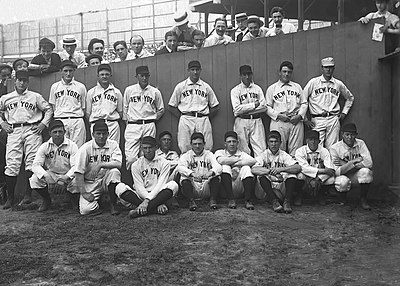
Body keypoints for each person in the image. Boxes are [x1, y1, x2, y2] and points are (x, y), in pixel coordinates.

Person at [0, 70, 53, 209]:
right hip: (14, 129)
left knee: (32, 162)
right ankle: (10, 199)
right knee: (12, 164)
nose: (22, 83)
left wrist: (43, 124)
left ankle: (28, 196)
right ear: (15, 81)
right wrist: (2, 123)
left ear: (28, 82)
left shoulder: (35, 96)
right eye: (19, 80)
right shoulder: (6, 98)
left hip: (32, 129)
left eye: (24, 80)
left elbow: (48, 110)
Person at [115, 136, 179, 218]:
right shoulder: (136, 164)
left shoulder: (164, 163)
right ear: (141, 148)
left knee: (173, 185)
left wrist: (148, 200)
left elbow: (160, 184)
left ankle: (139, 210)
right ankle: (154, 208)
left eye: (150, 148)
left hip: (159, 195)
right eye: (145, 148)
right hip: (142, 197)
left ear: (156, 148)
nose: (148, 151)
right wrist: (149, 201)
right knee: (119, 187)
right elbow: (139, 187)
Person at [303, 57, 354, 148]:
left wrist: (344, 113)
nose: (328, 69)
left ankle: (332, 163)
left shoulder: (338, 84)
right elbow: (302, 99)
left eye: (330, 67)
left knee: (333, 147)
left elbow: (350, 98)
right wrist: (305, 119)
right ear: (322, 68)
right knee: (316, 147)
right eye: (326, 67)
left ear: (333, 68)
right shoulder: (314, 82)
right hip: (317, 118)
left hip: (333, 118)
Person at [168, 60, 219, 153]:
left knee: (207, 145)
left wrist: (206, 117)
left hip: (202, 118)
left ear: (200, 70)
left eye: (197, 69)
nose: (195, 72)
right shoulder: (181, 86)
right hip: (186, 118)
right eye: (192, 69)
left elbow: (215, 106)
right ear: (188, 70)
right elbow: (171, 106)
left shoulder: (206, 87)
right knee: (185, 145)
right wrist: (182, 116)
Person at [74, 119, 122, 215]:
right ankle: (101, 202)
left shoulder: (113, 144)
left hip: (105, 179)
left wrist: (101, 165)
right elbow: (78, 173)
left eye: (104, 133)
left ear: (108, 134)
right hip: (91, 182)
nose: (101, 136)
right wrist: (84, 193)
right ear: (93, 134)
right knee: (85, 210)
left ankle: (113, 203)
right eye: (98, 133)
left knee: (115, 172)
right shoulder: (85, 148)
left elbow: (118, 164)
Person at [30, 120, 78, 211]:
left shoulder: (72, 146)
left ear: (64, 132)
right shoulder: (45, 146)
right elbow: (35, 165)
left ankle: (73, 199)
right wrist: (46, 175)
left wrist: (65, 177)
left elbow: (76, 166)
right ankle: (47, 199)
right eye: (54, 132)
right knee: (34, 180)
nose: (57, 134)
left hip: (67, 175)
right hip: (52, 175)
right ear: (50, 133)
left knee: (77, 181)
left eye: (60, 131)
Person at [123, 66, 164, 169]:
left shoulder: (154, 91)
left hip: (149, 124)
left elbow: (161, 109)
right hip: (133, 124)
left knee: (147, 155)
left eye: (146, 76)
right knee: (131, 158)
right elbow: (125, 109)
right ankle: (134, 182)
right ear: (137, 76)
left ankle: (147, 182)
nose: (144, 78)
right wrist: (128, 123)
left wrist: (153, 120)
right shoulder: (129, 90)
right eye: (142, 76)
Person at [252, 131, 301, 213]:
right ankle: (274, 201)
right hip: (266, 189)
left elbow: (298, 167)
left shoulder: (284, 155)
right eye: (271, 142)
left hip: (281, 186)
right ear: (267, 143)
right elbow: (254, 169)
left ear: (280, 143)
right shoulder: (263, 155)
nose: (273, 144)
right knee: (261, 176)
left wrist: (281, 169)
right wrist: (270, 171)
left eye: (276, 141)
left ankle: (287, 201)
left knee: (292, 176)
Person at [265, 61, 307, 156]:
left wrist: (300, 116)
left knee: (296, 149)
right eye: (284, 71)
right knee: (278, 148)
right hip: (279, 121)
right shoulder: (272, 88)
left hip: (295, 120)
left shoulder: (297, 87)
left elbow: (304, 103)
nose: (287, 74)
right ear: (279, 72)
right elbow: (267, 107)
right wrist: (278, 115)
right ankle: (279, 169)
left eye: (289, 72)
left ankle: (295, 168)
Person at [329, 123, 373, 210]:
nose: (350, 137)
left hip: (355, 176)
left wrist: (345, 164)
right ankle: (343, 200)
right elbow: (337, 171)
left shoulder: (360, 143)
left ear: (356, 135)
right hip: (342, 176)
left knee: (366, 172)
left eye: (352, 134)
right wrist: (354, 161)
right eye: (347, 134)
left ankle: (363, 199)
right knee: (342, 182)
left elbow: (369, 163)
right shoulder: (334, 148)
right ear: (342, 134)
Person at [177, 132, 222, 210]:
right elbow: (180, 167)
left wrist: (211, 172)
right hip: (192, 186)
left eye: (199, 144)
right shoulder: (186, 155)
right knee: (183, 178)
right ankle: (191, 201)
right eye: (195, 144)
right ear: (191, 144)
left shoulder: (209, 154)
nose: (197, 146)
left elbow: (218, 167)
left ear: (204, 144)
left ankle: (213, 200)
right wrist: (192, 173)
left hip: (206, 185)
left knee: (216, 176)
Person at [230, 65, 267, 157]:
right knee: (242, 149)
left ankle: (259, 169)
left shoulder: (257, 89)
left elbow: (264, 107)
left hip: (256, 120)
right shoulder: (235, 90)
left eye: (249, 74)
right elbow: (237, 109)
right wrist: (254, 105)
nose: (247, 77)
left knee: (261, 149)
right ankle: (245, 170)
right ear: (240, 75)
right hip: (241, 121)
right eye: (244, 74)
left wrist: (245, 110)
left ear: (252, 75)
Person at [215, 131, 257, 210]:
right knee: (225, 167)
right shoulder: (220, 152)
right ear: (225, 144)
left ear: (237, 143)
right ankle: (231, 199)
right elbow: (220, 160)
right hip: (225, 189)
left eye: (234, 141)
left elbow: (253, 161)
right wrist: (238, 160)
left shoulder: (242, 153)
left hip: (239, 187)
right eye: (229, 142)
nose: (232, 144)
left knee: (246, 168)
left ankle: (248, 200)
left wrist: (236, 163)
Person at [49, 60, 87, 147]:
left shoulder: (80, 86)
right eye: (65, 71)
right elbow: (53, 106)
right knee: (62, 149)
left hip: (77, 119)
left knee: (78, 148)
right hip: (61, 119)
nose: (68, 73)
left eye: (70, 71)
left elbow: (83, 107)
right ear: (61, 71)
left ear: (74, 71)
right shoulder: (55, 87)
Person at [294, 130, 335, 206]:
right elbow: (304, 168)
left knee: (331, 179)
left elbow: (330, 169)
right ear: (307, 140)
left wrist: (318, 179)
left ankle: (320, 194)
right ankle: (300, 195)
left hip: (319, 177)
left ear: (319, 141)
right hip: (306, 175)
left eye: (315, 140)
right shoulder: (300, 151)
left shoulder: (324, 151)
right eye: (311, 139)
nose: (313, 142)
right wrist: (322, 171)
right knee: (299, 176)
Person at [86, 64, 123, 144]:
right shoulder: (91, 92)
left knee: (113, 148)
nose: (104, 76)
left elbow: (120, 112)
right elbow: (88, 113)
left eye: (107, 74)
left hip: (112, 124)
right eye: (102, 74)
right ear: (98, 76)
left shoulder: (116, 92)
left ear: (110, 75)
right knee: (97, 149)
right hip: (96, 124)